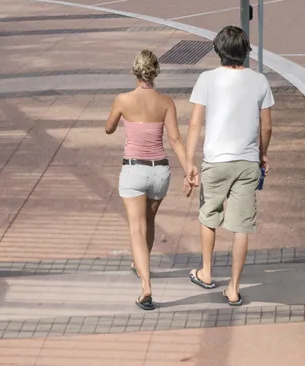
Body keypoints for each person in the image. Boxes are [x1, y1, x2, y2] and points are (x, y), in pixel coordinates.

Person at [185, 25, 273, 303]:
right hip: (247, 163)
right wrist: (262, 154)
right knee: (242, 227)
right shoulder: (259, 81)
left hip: (215, 161)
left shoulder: (207, 79)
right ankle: (234, 288)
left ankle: (207, 272)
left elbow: (195, 123)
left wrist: (189, 161)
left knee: (208, 216)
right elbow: (267, 126)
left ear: (218, 51)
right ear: (245, 52)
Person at [105, 49, 186, 310]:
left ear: (135, 71)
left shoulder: (123, 100)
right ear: (156, 72)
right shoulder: (166, 102)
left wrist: (121, 119)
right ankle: (139, 264)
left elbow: (108, 128)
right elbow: (174, 139)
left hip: (134, 171)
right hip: (160, 171)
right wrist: (189, 168)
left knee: (136, 228)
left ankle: (146, 285)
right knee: (149, 222)